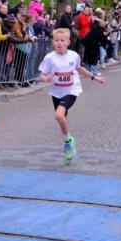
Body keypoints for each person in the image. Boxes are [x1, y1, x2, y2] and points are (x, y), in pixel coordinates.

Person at [38, 27, 105, 165]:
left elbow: (79, 69)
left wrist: (94, 77)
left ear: (68, 42)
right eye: (56, 40)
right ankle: (68, 141)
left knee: (58, 115)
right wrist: (46, 79)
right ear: (53, 42)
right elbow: (41, 74)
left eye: (62, 40)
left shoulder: (74, 56)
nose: (59, 43)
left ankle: (68, 143)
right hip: (56, 92)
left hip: (71, 90)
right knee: (63, 119)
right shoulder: (49, 58)